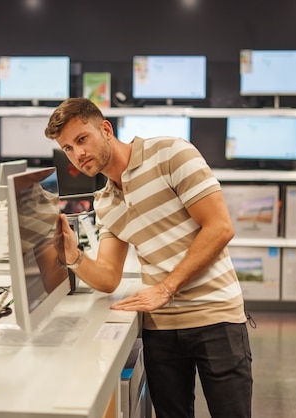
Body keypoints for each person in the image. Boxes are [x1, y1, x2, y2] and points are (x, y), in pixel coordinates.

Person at [46, 98, 252, 418]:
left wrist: (166, 288)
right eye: (68, 149)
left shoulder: (171, 153)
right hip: (162, 329)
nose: (78, 154)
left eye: (81, 139)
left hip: (216, 316)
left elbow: (220, 228)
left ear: (105, 129)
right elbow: (108, 277)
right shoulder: (104, 202)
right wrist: (73, 256)